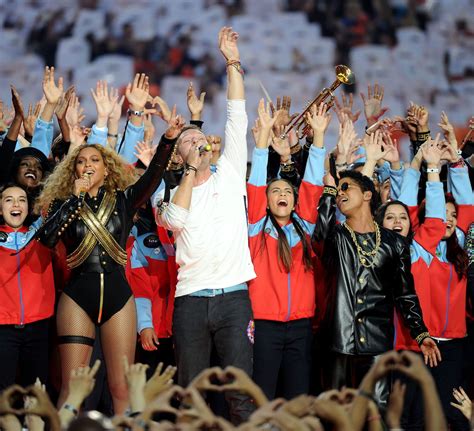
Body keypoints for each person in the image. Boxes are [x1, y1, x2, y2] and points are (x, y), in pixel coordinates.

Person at [35, 73, 178, 414]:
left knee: (121, 386)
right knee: (73, 388)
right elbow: (48, 238)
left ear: (107, 167)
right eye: (80, 162)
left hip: (118, 294)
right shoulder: (63, 203)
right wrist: (75, 198)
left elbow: (152, 177)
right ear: (73, 170)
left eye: (94, 160)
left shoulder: (126, 200)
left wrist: (169, 140)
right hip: (77, 296)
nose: (86, 165)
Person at [155, 27, 256, 424]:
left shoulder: (230, 170)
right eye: (188, 140)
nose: (199, 141)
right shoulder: (170, 193)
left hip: (234, 298)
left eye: (201, 137)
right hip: (191, 301)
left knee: (241, 395)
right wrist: (188, 173)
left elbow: (236, 113)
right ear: (179, 155)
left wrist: (232, 59)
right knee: (191, 397)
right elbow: (175, 221)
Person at [312, 130, 440, 408]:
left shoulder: (394, 243)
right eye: (339, 189)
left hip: (377, 345)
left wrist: (421, 333)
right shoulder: (337, 237)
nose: (341, 193)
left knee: (376, 414)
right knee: (335, 414)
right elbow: (319, 234)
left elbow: (405, 293)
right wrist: (329, 191)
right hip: (337, 344)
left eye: (348, 187)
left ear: (368, 194)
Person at [379, 138, 472, 430]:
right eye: (441, 214)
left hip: (452, 346)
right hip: (410, 345)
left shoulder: (453, 250)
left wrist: (448, 166)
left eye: (452, 217)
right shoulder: (411, 250)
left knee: (450, 413)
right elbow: (404, 210)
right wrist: (422, 166)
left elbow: (466, 206)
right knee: (410, 417)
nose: (447, 220)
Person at [246, 101, 327, 399]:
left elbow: (313, 186)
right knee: (263, 395)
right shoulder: (256, 229)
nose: (282, 194)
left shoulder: (304, 228)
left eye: (287, 192)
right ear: (266, 202)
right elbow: (254, 188)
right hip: (264, 325)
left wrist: (318, 139)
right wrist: (262, 142)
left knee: (298, 397)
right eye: (275, 191)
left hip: (301, 326)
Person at [0, 184, 55, 390]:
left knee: (37, 394)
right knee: (4, 395)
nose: (16, 204)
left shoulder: (42, 236)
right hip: (3, 330)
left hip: (38, 329)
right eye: (8, 200)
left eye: (22, 199)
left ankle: (35, 424)